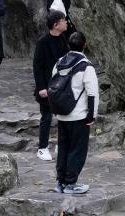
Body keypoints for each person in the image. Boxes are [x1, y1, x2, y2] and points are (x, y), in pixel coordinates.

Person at [53, 31, 98, 195]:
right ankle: (71, 184)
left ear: (68, 45)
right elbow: (92, 93)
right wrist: (92, 116)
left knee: (63, 148)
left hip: (62, 114)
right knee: (77, 150)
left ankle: (60, 183)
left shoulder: (59, 63)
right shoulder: (86, 66)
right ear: (85, 45)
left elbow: (53, 87)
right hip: (79, 115)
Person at [33, 10, 70, 162]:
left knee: (63, 116)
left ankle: (61, 145)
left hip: (61, 85)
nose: (66, 22)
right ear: (55, 25)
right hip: (47, 86)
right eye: (63, 20)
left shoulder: (63, 39)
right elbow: (37, 66)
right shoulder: (42, 42)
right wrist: (41, 87)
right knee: (46, 117)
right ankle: (42, 148)